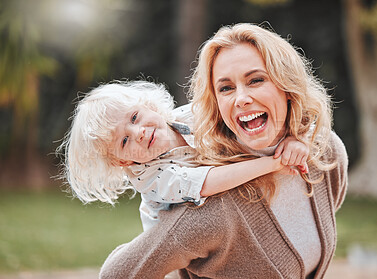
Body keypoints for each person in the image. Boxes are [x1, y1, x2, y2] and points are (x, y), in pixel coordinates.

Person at [99, 23, 348, 279]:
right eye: (226, 88)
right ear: (216, 102)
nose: (241, 98)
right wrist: (275, 163)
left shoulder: (326, 152)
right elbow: (116, 275)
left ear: (287, 84)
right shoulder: (213, 211)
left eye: (256, 80)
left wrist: (301, 142)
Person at [57, 80, 309, 231]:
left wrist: (289, 139)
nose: (139, 133)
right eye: (124, 141)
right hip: (176, 254)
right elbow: (209, 181)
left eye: (134, 117)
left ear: (148, 105)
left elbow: (241, 124)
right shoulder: (151, 178)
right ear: (122, 161)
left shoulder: (189, 116)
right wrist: (273, 162)